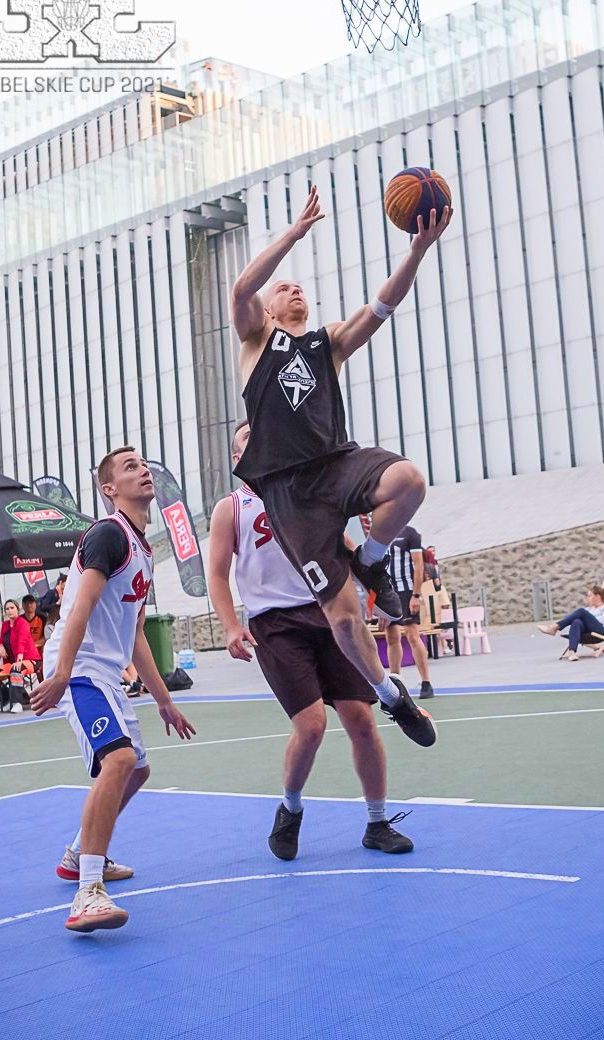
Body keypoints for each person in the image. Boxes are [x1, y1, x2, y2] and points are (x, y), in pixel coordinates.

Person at [230, 186, 450, 748]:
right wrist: (295, 233)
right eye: (283, 287)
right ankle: (391, 695)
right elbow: (242, 287)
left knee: (409, 481)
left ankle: (370, 559)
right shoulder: (255, 341)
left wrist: (418, 250)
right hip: (288, 491)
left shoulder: (327, 343)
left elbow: (383, 306)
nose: (294, 288)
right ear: (269, 308)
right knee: (345, 618)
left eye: (299, 286)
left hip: (335, 463)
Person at [208, 421, 414, 860]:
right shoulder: (231, 508)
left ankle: (377, 821)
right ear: (237, 458)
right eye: (245, 438)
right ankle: (290, 809)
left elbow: (344, 546)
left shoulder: (304, 493)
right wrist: (230, 626)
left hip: (328, 611)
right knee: (312, 725)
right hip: (275, 624)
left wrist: (375, 591)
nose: (257, 439)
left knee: (361, 719)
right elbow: (217, 575)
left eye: (261, 433)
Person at [31, 447, 196, 934]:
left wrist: (164, 699)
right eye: (130, 467)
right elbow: (80, 607)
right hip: (79, 665)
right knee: (119, 761)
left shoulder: (142, 549)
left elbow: (135, 632)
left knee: (137, 770)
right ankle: (87, 892)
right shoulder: (108, 534)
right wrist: (62, 674)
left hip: (103, 669)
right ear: (109, 489)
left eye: (143, 464)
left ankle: (78, 854)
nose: (143, 470)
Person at [385, 524, 433, 700]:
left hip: (406, 591)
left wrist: (416, 595)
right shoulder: (380, 531)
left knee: (413, 635)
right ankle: (396, 684)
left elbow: (418, 565)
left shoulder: (409, 533)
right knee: (391, 637)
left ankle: (426, 682)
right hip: (387, 592)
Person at [539, 585, 604, 661]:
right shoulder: (588, 610)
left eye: (590, 596)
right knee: (576, 621)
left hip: (601, 632)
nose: (588, 598)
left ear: (597, 596)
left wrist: (588, 619)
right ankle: (572, 652)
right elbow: (584, 621)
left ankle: (554, 627)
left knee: (581, 611)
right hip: (588, 634)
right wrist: (587, 620)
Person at [0, 599, 41, 713]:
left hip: (30, 660)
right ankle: (6, 701)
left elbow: (22, 642)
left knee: (16, 669)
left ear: (17, 609)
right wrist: (1, 646)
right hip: (11, 662)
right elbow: (1, 640)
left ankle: (17, 703)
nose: (10, 611)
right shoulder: (5, 625)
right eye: (7, 609)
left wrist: (19, 661)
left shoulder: (22, 623)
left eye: (12, 608)